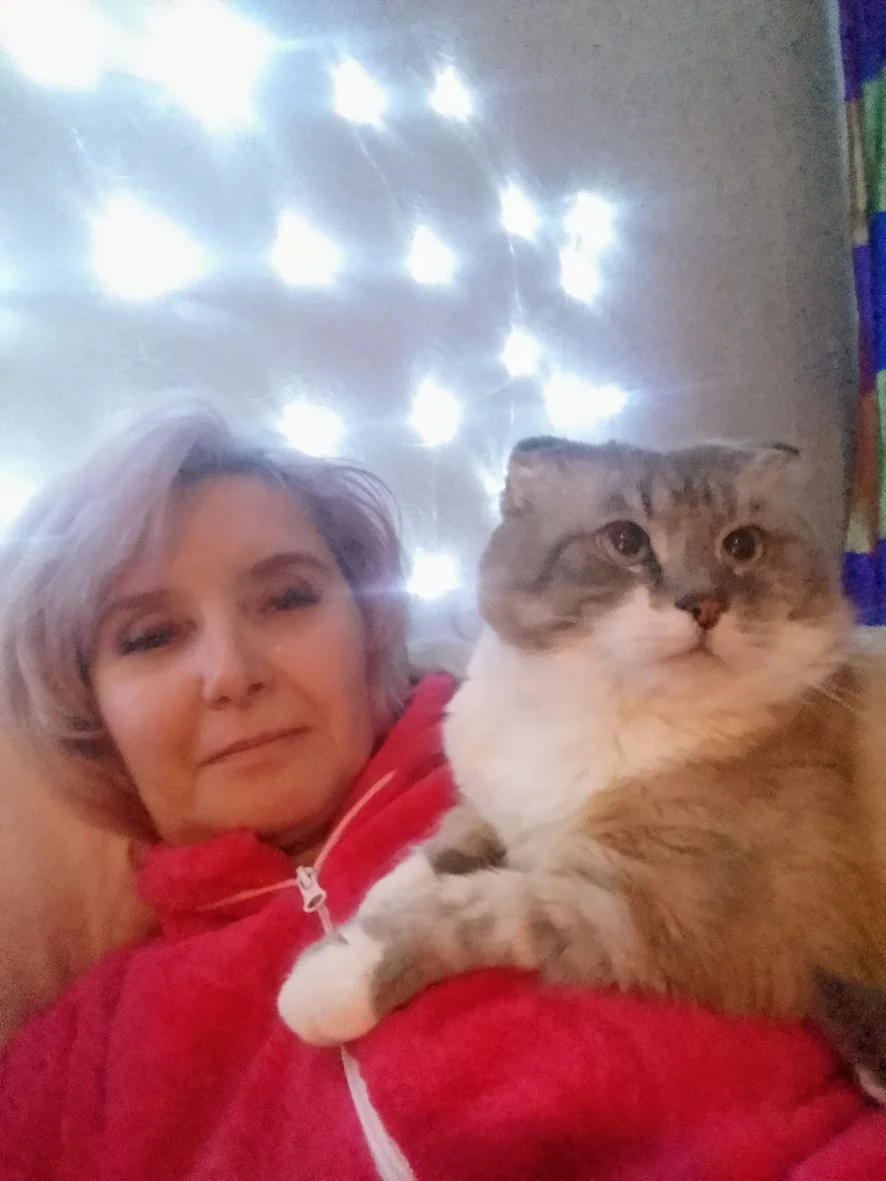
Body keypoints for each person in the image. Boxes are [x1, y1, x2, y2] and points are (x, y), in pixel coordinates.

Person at [1, 402, 885, 1181]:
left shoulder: (678, 752)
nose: (231, 673)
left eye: (286, 598)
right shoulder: (77, 1059)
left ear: (369, 619)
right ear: (85, 703)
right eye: (151, 636)